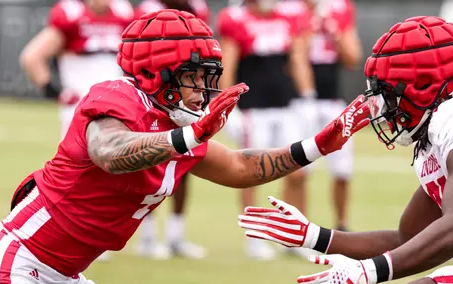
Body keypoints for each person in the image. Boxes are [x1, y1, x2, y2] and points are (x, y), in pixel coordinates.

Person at [0, 10, 369, 284]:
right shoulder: (117, 95)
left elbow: (242, 166)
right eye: (195, 77)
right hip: (10, 266)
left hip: (65, 279)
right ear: (160, 73)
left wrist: (319, 145)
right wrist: (187, 137)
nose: (204, 90)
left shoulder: (177, 128)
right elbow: (111, 152)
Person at [238, 15, 453, 284]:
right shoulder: (437, 135)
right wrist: (314, 236)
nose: (385, 107)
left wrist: (369, 272)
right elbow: (408, 239)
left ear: (424, 85)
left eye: (389, 93)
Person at [216, 0, 316, 260]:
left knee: (298, 171)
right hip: (253, 109)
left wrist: (307, 96)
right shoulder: (236, 19)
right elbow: (228, 63)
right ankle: (254, 238)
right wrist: (230, 106)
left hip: (285, 105)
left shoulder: (288, 16)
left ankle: (293, 237)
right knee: (250, 172)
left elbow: (297, 59)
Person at [132, 0, 211, 260]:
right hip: (155, 89)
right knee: (151, 162)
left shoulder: (197, 7)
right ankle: (147, 236)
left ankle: (176, 236)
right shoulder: (148, 9)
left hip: (184, 90)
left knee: (185, 162)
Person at [289, 0, 362, 237]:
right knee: (298, 170)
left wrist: (333, 30)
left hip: (332, 100)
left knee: (343, 169)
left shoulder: (340, 8)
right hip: (300, 101)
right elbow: (293, 56)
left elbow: (352, 57)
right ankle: (297, 228)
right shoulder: (291, 9)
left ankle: (342, 225)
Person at [20, 0, 134, 139]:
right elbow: (32, 57)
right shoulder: (72, 13)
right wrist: (56, 92)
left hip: (117, 104)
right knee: (78, 156)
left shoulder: (122, 11)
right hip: (81, 105)